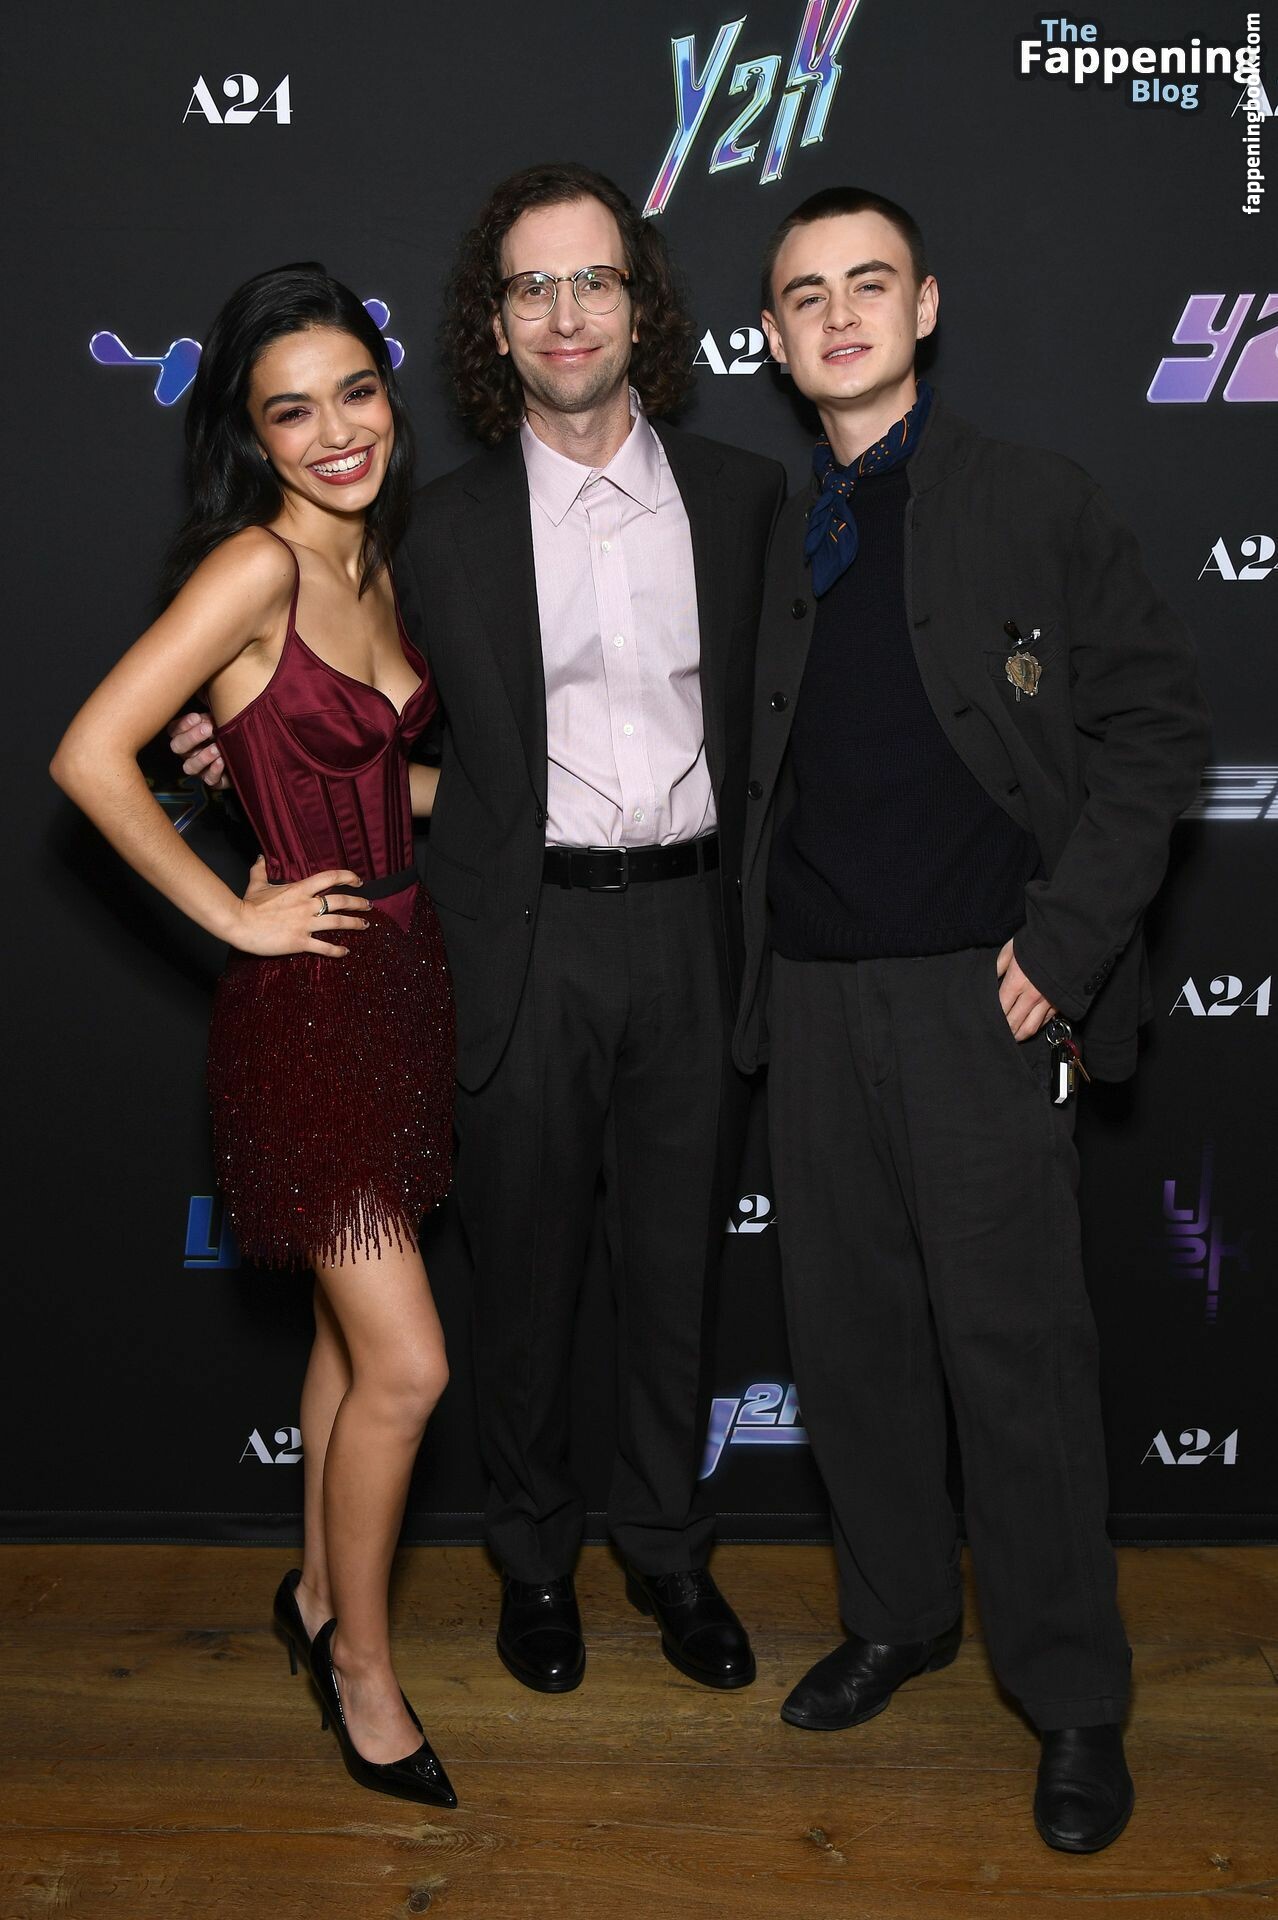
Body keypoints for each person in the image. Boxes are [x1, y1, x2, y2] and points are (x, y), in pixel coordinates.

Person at [179, 164, 785, 1694]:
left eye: (593, 280)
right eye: (531, 287)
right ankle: (534, 1563)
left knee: (675, 1274)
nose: (565, 312)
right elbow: (342, 718)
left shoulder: (743, 502)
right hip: (516, 941)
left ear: (638, 307)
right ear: (493, 326)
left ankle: (666, 1551)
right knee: (520, 1274)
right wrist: (236, 751)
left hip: (697, 929)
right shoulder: (427, 534)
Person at [734, 188, 1209, 1852]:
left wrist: (1063, 946)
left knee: (1016, 1361)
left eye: (868, 283)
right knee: (850, 1347)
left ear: (924, 306)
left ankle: (1071, 1697)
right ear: (771, 338)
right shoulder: (762, 531)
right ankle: (897, 1618)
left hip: (979, 1001)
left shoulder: (1035, 497)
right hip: (809, 998)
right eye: (804, 294)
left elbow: (1156, 733)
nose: (838, 314)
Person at [51, 264, 458, 1809]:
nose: (336, 430)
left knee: (349, 1347)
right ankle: (361, 1670)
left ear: (389, 397)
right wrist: (232, 912)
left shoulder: (380, 559)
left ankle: (312, 1595)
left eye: (355, 392)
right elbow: (89, 754)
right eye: (293, 411)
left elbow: (373, 776)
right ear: (252, 435)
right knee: (409, 1365)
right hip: (308, 1010)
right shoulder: (256, 567)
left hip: (405, 979)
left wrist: (503, 802)